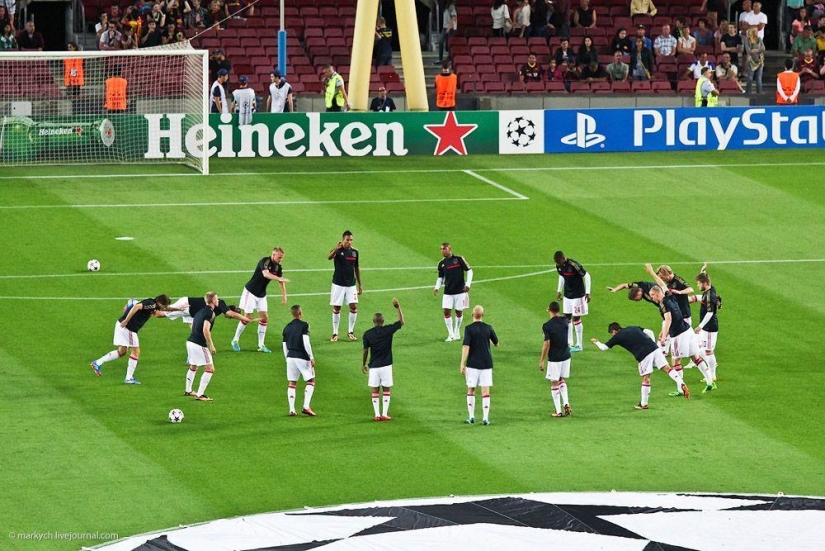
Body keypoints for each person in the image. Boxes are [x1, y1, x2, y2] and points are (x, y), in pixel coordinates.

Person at [591, 322, 688, 409]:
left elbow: (603, 348)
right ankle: (681, 382)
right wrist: (652, 343)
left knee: (646, 378)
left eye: (611, 333)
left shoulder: (617, 336)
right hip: (655, 349)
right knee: (667, 368)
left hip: (643, 355)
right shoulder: (633, 327)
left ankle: (643, 404)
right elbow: (649, 331)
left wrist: (596, 342)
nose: (612, 335)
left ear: (614, 331)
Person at [90, 295, 173, 384]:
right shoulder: (151, 304)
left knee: (122, 352)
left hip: (122, 326)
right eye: (164, 306)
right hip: (128, 328)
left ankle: (97, 362)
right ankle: (129, 378)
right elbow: (136, 306)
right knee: (136, 351)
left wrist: (177, 311)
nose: (163, 308)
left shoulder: (152, 305)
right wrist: (126, 320)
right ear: (160, 302)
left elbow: (159, 314)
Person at [649, 285, 714, 395]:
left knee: (676, 361)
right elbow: (664, 287)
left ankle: (680, 389)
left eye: (652, 296)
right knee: (695, 357)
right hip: (688, 330)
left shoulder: (663, 303)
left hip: (679, 335)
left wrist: (664, 337)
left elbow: (668, 319)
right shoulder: (669, 296)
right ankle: (710, 382)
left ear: (656, 294)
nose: (652, 298)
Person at [231, 247, 289, 353]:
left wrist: (284, 295)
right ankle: (235, 340)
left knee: (265, 318)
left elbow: (281, 281)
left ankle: (261, 345)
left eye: (282, 258)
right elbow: (266, 274)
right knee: (246, 318)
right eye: (279, 257)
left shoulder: (278, 267)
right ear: (273, 254)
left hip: (261, 294)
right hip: (251, 292)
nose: (280, 259)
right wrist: (279, 278)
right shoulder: (265, 261)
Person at [362, 299, 404, 421]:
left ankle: (376, 414)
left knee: (375, 390)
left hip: (374, 366)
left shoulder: (367, 334)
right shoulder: (388, 330)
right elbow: (401, 322)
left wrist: (363, 364)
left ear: (373, 321)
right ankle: (384, 414)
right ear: (383, 321)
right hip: (386, 365)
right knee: (386, 389)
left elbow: (365, 350)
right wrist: (398, 307)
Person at [460, 305, 498, 426]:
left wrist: (462, 363)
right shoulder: (488, 328)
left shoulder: (468, 329)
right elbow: (496, 343)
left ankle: (471, 417)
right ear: (483, 315)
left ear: (472, 315)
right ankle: (485, 418)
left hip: (472, 363)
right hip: (486, 363)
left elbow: (466, 346)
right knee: (485, 391)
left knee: (471, 389)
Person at [538, 302, 572, 418]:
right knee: (561, 379)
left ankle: (558, 411)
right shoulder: (565, 321)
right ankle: (566, 403)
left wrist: (542, 360)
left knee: (554, 382)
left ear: (549, 310)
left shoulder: (547, 326)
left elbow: (547, 344)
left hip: (555, 358)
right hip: (566, 355)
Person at [434, 242, 473, 342]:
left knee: (459, 311)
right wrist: (437, 287)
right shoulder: (441, 263)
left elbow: (469, 271)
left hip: (460, 291)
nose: (442, 251)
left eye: (444, 249)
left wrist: (468, 284)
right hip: (448, 292)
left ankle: (457, 331)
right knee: (446, 311)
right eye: (441, 249)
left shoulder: (459, 259)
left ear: (449, 249)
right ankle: (450, 334)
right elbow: (440, 277)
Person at [282, 305, 317, 417]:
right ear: (300, 313)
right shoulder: (304, 325)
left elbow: (284, 345)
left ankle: (292, 409)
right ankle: (306, 406)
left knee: (292, 382)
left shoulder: (286, 327)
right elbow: (305, 341)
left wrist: (287, 358)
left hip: (290, 357)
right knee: (311, 380)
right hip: (302, 356)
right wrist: (311, 357)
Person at [184, 292, 219, 401]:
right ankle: (200, 394)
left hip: (190, 341)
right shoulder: (210, 313)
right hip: (198, 344)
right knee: (210, 368)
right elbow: (205, 329)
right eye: (217, 299)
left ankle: (188, 390)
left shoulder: (200, 311)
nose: (218, 301)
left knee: (194, 366)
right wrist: (211, 345)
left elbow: (193, 324)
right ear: (212, 301)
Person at [328, 231, 362, 342]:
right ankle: (335, 333)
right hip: (338, 284)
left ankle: (350, 332)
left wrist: (360, 284)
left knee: (353, 306)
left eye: (351, 240)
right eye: (347, 239)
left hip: (351, 284)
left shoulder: (355, 252)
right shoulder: (338, 250)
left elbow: (356, 268)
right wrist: (336, 249)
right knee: (337, 308)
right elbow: (329, 257)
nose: (349, 242)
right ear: (343, 239)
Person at [690, 263, 720, 386]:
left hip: (709, 327)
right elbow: (707, 278)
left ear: (704, 284)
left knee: (708, 351)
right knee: (698, 348)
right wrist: (703, 270)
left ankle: (712, 375)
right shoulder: (710, 287)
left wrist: (700, 326)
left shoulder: (709, 296)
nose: (697, 285)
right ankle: (711, 365)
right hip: (706, 327)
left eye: (698, 283)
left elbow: (710, 313)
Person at [554, 251, 591, 352]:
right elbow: (562, 276)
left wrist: (588, 292)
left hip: (578, 295)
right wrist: (559, 290)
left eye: (558, 262)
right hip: (567, 295)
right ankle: (569, 343)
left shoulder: (573, 265)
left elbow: (586, 276)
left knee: (576, 319)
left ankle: (579, 345)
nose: (557, 264)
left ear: (562, 258)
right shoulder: (559, 266)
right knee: (567, 319)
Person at [166, 294, 251, 328]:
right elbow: (231, 313)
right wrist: (245, 318)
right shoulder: (221, 303)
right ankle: (154, 305)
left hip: (192, 314)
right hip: (186, 305)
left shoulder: (218, 311)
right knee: (161, 314)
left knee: (196, 334)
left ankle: (192, 355)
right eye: (231, 318)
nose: (229, 318)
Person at [743, 26, 765, 93]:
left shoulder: (759, 39)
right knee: (750, 78)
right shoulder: (747, 40)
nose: (756, 32)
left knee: (759, 78)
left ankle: (759, 93)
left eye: (757, 31)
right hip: (751, 61)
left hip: (759, 61)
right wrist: (759, 50)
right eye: (755, 31)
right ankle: (748, 93)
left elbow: (763, 48)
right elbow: (749, 51)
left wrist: (756, 50)